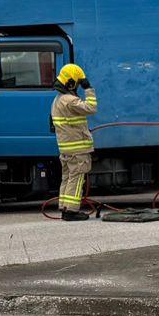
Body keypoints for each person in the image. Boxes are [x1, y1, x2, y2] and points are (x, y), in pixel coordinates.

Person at [50, 63, 96, 221]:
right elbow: (91, 108)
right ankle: (71, 211)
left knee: (67, 177)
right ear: (71, 83)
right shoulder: (70, 100)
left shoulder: (57, 100)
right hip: (78, 149)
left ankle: (64, 207)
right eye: (77, 83)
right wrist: (88, 88)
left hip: (66, 149)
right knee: (76, 179)